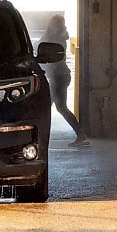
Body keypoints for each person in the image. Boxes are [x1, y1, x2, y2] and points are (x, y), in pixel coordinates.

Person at [41, 14, 89, 147]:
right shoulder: (60, 37)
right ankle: (80, 134)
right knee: (56, 107)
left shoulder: (56, 38)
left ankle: (40, 137)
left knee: (52, 108)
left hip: (58, 77)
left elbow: (50, 57)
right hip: (60, 76)